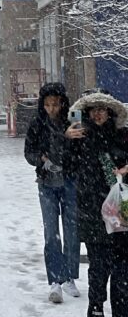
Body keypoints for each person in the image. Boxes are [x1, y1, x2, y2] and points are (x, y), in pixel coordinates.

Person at [65, 91, 128, 317]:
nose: (98, 114)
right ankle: (96, 307)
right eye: (93, 110)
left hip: (120, 212)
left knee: (122, 268)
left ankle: (121, 309)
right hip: (91, 211)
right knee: (99, 267)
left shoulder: (122, 136)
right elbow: (67, 167)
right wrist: (66, 140)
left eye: (102, 109)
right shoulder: (79, 137)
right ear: (87, 113)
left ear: (110, 112)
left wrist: (125, 169)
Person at [25, 82, 80, 303]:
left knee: (72, 231)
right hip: (47, 183)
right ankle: (55, 280)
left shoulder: (73, 122)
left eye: (56, 104)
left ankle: (69, 277)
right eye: (47, 104)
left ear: (62, 103)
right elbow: (29, 152)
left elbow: (76, 152)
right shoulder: (37, 124)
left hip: (70, 181)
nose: (52, 109)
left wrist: (65, 140)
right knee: (51, 233)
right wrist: (41, 159)